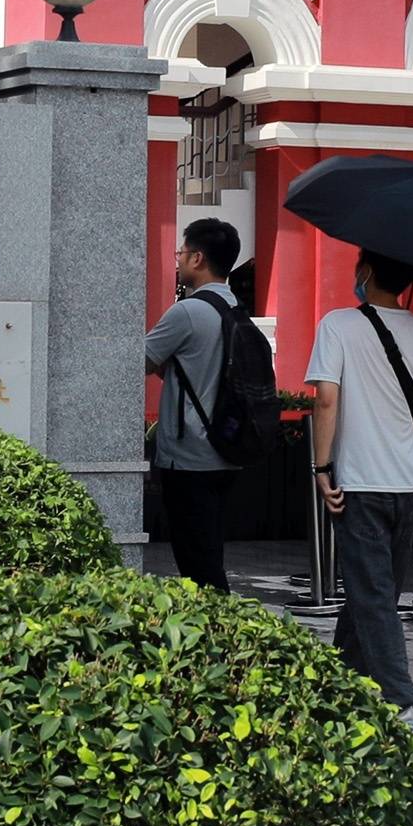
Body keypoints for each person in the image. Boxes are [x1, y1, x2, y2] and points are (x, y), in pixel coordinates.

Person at [305, 249, 413, 731]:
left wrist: (322, 466)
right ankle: (340, 682)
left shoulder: (339, 325)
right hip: (407, 480)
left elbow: (326, 400)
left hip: (359, 480)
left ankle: (403, 702)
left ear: (364, 272)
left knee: (373, 594)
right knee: (374, 593)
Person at [142, 218, 252, 590]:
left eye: (182, 253)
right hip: (227, 449)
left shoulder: (187, 312)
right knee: (209, 548)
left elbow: (139, 360)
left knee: (198, 562)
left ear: (198, 258)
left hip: (189, 455)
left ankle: (218, 636)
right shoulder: (236, 309)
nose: (178, 261)